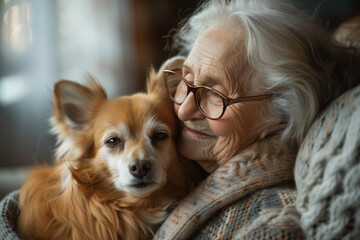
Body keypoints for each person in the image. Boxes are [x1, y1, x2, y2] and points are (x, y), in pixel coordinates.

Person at [154, 0, 360, 239]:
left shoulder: (268, 218)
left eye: (214, 93)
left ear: (281, 115)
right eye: (187, 79)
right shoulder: (169, 166)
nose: (183, 110)